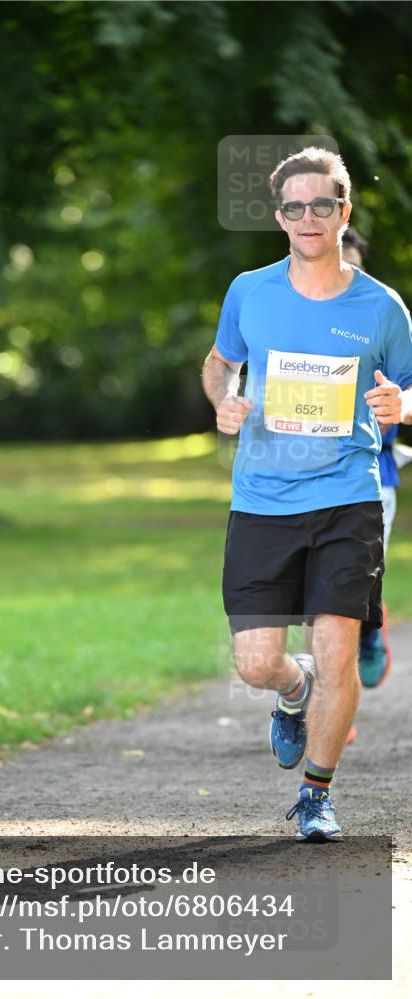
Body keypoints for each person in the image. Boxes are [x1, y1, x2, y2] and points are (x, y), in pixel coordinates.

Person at [202, 147, 412, 841]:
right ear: (278, 217)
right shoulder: (249, 291)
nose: (307, 218)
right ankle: (291, 693)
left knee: (337, 654)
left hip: (345, 499)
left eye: (321, 205)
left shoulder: (380, 307)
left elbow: (409, 386)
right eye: (293, 207)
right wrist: (224, 400)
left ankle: (316, 794)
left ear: (342, 211)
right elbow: (218, 363)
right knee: (256, 662)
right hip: (261, 500)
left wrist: (398, 405)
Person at [341, 227, 396, 708]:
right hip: (299, 483)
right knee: (317, 603)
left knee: (349, 593)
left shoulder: (382, 318)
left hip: (373, 481)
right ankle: (326, 704)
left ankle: (368, 633)